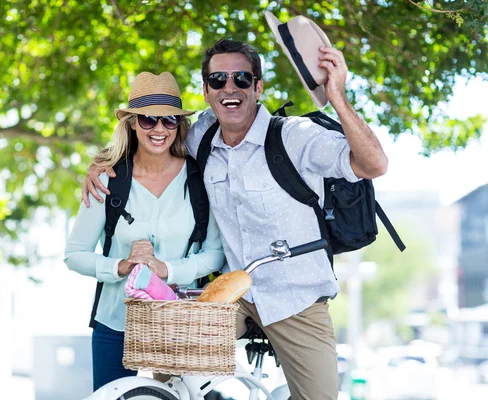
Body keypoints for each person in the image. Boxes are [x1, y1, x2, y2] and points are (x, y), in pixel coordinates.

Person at [82, 39, 388, 399]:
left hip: (296, 298)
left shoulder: (294, 137)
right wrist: (103, 164)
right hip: (232, 297)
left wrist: (338, 97)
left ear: (258, 87)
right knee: (166, 366)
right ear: (207, 91)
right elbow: (153, 137)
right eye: (219, 80)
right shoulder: (202, 136)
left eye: (242, 78)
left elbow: (374, 165)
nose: (230, 87)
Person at [64, 71, 225, 392]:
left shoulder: (200, 178)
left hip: (180, 321)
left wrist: (168, 269)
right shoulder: (109, 179)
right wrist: (120, 266)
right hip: (116, 321)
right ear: (133, 123)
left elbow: (215, 254)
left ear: (179, 125)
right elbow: (74, 255)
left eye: (169, 121)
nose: (159, 129)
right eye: (149, 120)